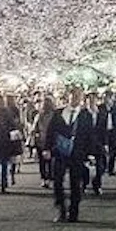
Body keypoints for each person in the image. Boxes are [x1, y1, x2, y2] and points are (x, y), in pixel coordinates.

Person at [46, 88, 96, 223]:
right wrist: (47, 148)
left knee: (76, 183)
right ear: (67, 97)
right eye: (72, 96)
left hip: (78, 153)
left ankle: (74, 211)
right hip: (60, 152)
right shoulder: (58, 113)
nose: (74, 99)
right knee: (57, 181)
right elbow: (50, 131)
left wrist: (91, 153)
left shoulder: (86, 115)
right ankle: (61, 208)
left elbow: (90, 135)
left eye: (77, 97)